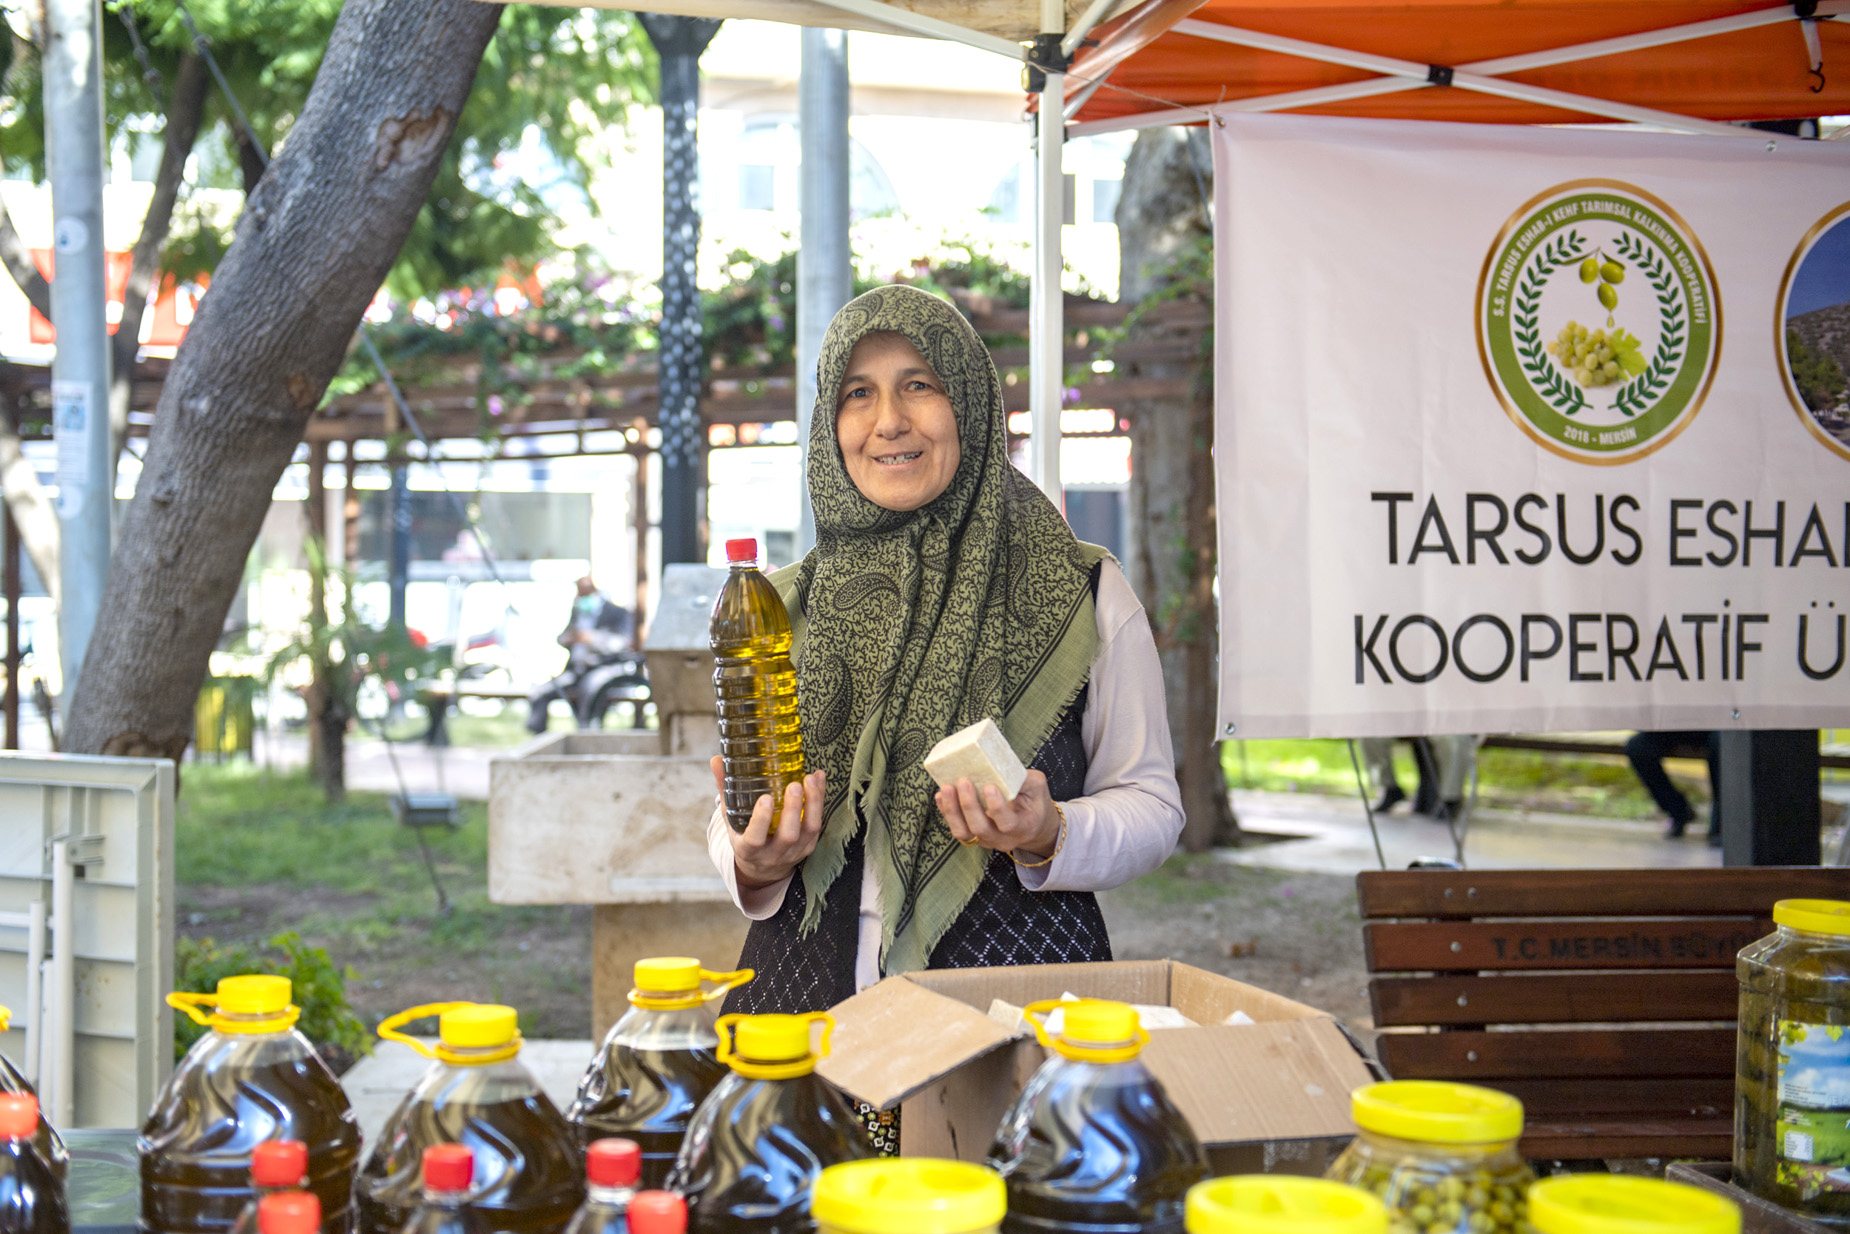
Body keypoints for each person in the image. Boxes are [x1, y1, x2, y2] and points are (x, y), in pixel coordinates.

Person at [705, 285, 1185, 1032]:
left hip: (1008, 1018)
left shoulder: (1079, 592)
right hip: (800, 1018)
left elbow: (1153, 808)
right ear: (830, 423)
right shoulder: (782, 605)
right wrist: (752, 862)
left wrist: (1050, 832)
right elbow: (734, 807)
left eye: (919, 386)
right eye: (858, 393)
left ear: (969, 402)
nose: (889, 421)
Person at [527, 576, 634, 733]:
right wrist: (569, 639)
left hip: (603, 668)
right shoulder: (578, 612)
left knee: (591, 689)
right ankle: (538, 735)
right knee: (540, 692)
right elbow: (562, 637)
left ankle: (588, 731)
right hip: (576, 670)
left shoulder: (616, 613)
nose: (579, 599)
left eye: (583, 595)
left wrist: (591, 639)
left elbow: (622, 643)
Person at [1624, 731, 1720, 842]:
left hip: (1714, 728)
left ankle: (1722, 822)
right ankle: (1678, 810)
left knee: (1722, 742)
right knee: (1637, 746)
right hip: (1674, 727)